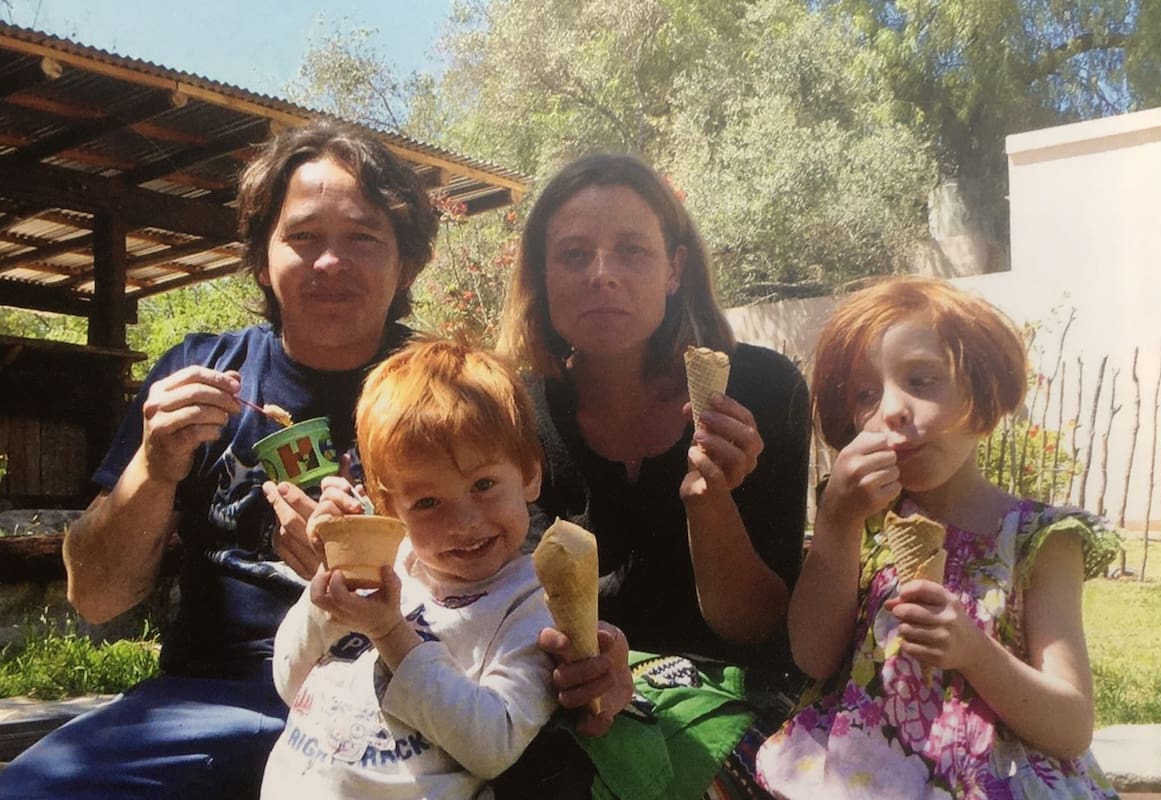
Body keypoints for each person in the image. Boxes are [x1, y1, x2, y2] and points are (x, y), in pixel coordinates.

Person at [0, 121, 440, 799]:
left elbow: (498, 563)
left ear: (406, 263)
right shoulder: (201, 372)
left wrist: (374, 574)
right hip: (211, 702)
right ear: (263, 261)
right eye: (303, 237)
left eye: (362, 238)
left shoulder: (446, 391)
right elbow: (96, 598)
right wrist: (155, 464)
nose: (330, 262)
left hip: (392, 693)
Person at [496, 153, 811, 797]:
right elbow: (503, 603)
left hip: (731, 703)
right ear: (541, 275)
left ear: (675, 269)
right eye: (574, 254)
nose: (602, 275)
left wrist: (710, 502)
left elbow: (755, 627)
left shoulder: (762, 389)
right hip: (565, 703)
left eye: (632, 251)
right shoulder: (512, 410)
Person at [755, 275, 1121, 798]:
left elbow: (1071, 726)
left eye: (922, 381)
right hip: (868, 777)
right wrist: (837, 520)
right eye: (865, 394)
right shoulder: (864, 521)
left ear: (984, 394)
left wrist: (976, 652)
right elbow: (812, 655)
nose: (891, 409)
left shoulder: (1037, 540)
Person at [260, 337, 557, 799]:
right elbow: (288, 683)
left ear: (530, 473)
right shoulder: (383, 564)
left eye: (483, 484)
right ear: (387, 507)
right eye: (427, 502)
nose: (464, 522)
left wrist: (391, 635)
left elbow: (492, 744)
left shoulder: (532, 604)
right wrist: (326, 600)